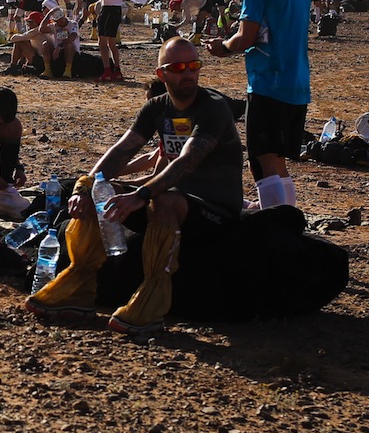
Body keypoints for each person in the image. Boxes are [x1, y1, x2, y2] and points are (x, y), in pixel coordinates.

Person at [29, 37, 245, 333]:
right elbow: (121, 151)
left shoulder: (213, 107)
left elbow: (185, 162)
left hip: (214, 207)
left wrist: (140, 195)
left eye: (194, 66)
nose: (189, 74)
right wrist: (87, 185)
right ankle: (78, 289)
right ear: (162, 74)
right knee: (101, 190)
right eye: (179, 67)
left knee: (164, 200)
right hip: (171, 197)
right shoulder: (156, 107)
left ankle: (151, 305)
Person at [208, 0, 311, 209]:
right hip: (297, 81)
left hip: (268, 81)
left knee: (262, 162)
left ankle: (275, 228)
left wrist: (222, 47)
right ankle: (287, 223)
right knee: (277, 161)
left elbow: (247, 37)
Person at [93, 0, 127, 81]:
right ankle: (117, 70)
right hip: (117, 9)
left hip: (107, 9)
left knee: (102, 42)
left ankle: (107, 70)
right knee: (112, 42)